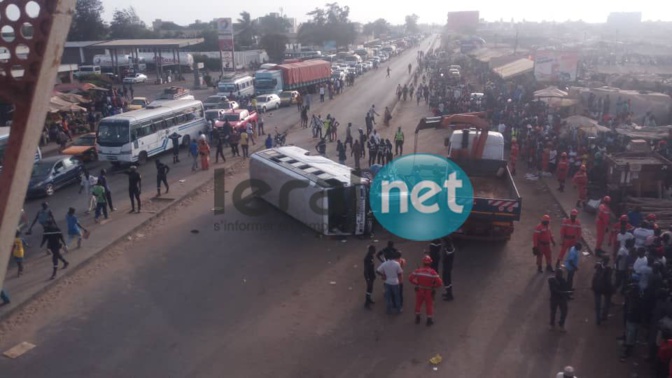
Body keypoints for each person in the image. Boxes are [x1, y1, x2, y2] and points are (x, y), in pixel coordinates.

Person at [409, 255, 443, 326]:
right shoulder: (433, 272)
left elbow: (410, 278)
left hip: (419, 290)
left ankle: (417, 318)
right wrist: (433, 286)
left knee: (418, 304)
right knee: (429, 305)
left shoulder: (418, 271)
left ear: (423, 263)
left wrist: (417, 283)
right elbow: (440, 283)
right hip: (429, 291)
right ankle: (429, 320)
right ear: (430, 263)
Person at [592, 255, 613, 325]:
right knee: (607, 301)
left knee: (598, 304)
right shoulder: (609, 268)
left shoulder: (598, 265)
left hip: (597, 287)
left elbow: (595, 271)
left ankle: (598, 319)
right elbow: (608, 280)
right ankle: (604, 315)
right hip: (606, 288)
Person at [549, 268, 571, 332]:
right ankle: (553, 324)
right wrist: (566, 293)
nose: (560, 275)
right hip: (556, 298)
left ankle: (559, 324)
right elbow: (555, 290)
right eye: (559, 273)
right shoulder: (552, 280)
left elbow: (565, 288)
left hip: (559, 299)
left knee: (563, 312)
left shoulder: (561, 280)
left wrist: (567, 293)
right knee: (554, 312)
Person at [441, 236, 456, 300]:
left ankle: (449, 295)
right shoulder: (452, 248)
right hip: (449, 266)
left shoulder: (447, 250)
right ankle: (448, 293)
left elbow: (444, 258)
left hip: (446, 266)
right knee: (448, 280)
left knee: (446, 280)